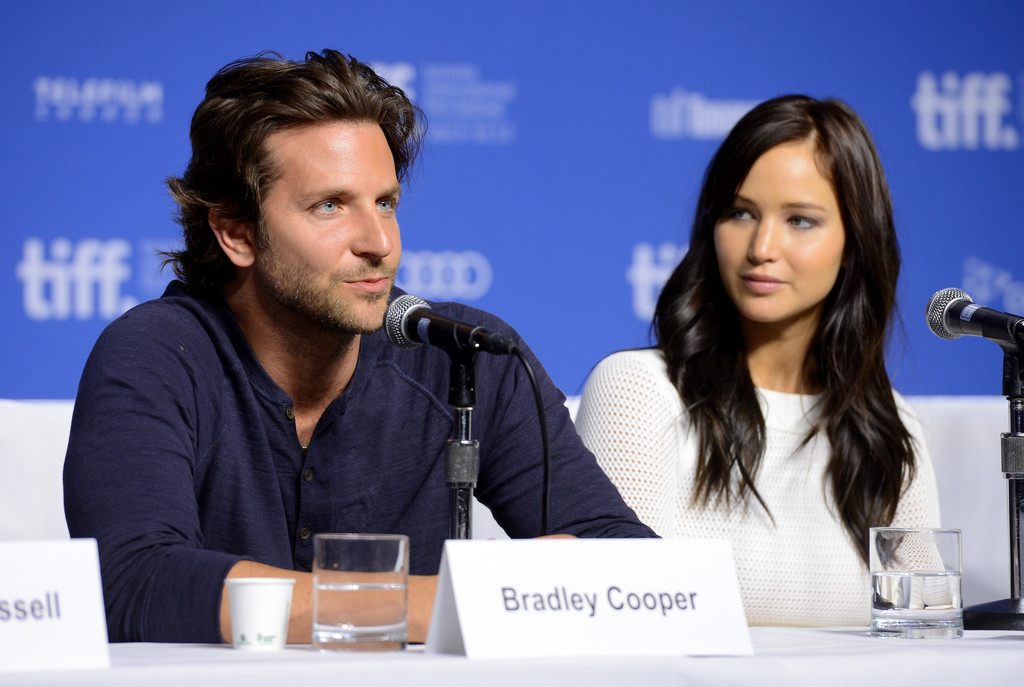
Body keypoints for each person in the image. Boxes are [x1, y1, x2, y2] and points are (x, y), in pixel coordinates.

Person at [63, 49, 654, 644]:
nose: (379, 242)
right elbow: (131, 580)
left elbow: (631, 566)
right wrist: (444, 600)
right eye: (330, 206)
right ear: (237, 233)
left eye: (386, 203)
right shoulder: (157, 355)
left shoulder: (464, 356)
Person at [575, 95, 941, 626]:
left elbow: (928, 624)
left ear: (855, 242)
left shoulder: (891, 426)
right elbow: (623, 613)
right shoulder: (638, 390)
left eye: (800, 220)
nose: (761, 247)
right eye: (740, 213)